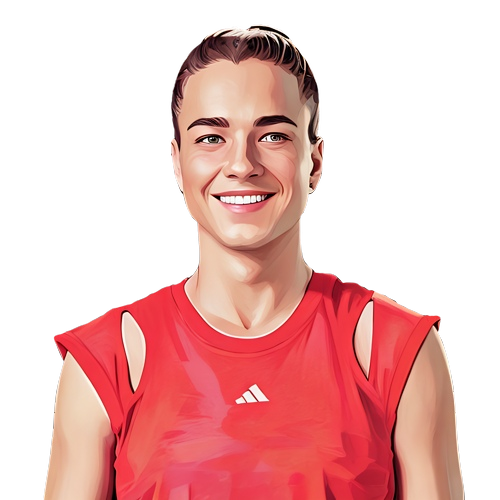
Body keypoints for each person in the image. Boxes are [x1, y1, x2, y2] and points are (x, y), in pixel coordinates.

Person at [44, 25, 464, 499]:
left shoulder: (397, 350)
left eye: (273, 135)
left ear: (314, 162)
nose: (242, 164)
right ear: (177, 163)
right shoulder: (106, 361)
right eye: (211, 138)